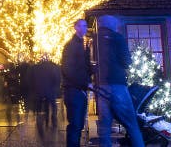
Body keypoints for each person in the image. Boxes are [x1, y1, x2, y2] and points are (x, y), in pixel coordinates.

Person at [95, 15, 144, 147]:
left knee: (105, 127)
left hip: (101, 87)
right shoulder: (117, 38)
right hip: (118, 86)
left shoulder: (94, 40)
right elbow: (127, 61)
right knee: (132, 124)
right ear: (112, 25)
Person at [61, 18, 92, 147]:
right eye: (81, 26)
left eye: (85, 26)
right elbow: (69, 69)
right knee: (75, 125)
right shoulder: (72, 46)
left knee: (77, 125)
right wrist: (85, 83)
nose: (84, 28)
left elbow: (82, 67)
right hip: (74, 91)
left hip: (77, 90)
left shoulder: (80, 44)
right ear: (75, 27)